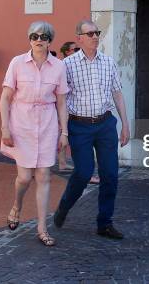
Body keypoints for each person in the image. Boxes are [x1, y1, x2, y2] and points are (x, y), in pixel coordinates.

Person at [54, 20, 130, 239]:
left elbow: (117, 93)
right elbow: (61, 99)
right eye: (90, 33)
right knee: (83, 172)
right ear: (79, 38)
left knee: (110, 175)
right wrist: (63, 131)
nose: (95, 36)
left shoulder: (108, 62)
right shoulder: (67, 65)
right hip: (79, 126)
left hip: (106, 124)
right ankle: (64, 207)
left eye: (97, 32)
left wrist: (125, 124)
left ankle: (104, 223)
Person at [0, 21, 69, 247]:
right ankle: (17, 206)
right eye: (34, 36)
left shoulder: (58, 66)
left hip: (47, 125)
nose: (38, 40)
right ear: (30, 39)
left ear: (50, 40)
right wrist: (5, 128)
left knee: (44, 176)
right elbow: (5, 97)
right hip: (21, 125)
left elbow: (61, 102)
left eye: (43, 36)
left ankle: (42, 228)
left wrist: (64, 132)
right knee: (24, 177)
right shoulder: (17, 63)